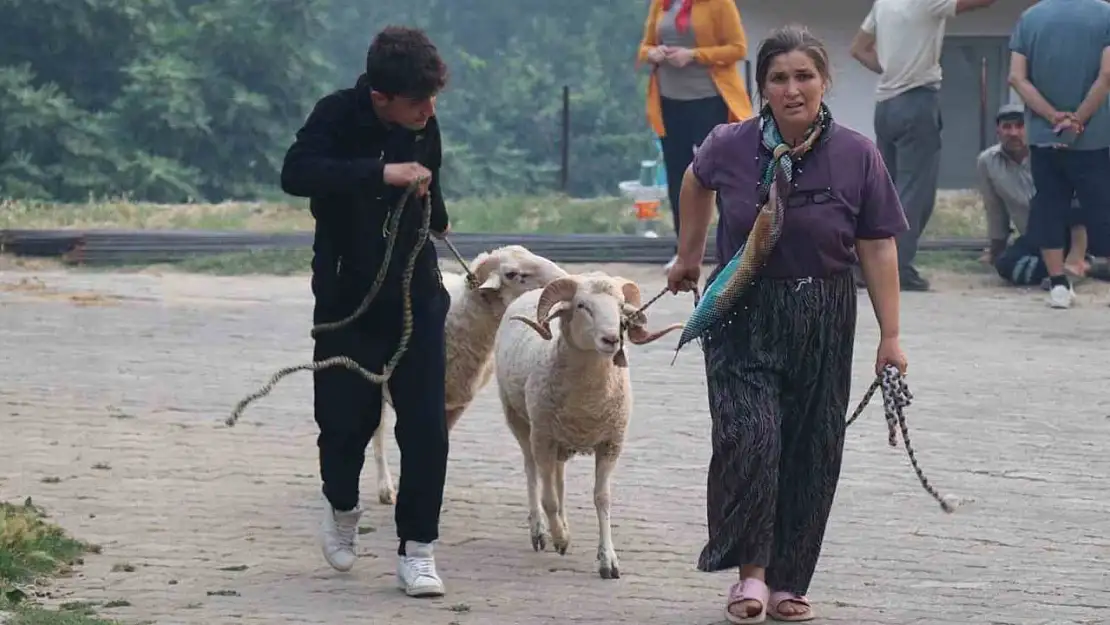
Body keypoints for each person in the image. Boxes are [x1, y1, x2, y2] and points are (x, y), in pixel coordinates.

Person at [666, 24, 909, 624]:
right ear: (762, 88)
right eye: (779, 78)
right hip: (743, 312)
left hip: (825, 313)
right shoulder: (729, 144)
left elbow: (877, 246)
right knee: (751, 440)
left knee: (812, 448)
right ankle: (750, 575)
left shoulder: (857, 154)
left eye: (804, 76)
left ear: (826, 82)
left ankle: (787, 581)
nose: (793, 88)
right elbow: (694, 182)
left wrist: (891, 335)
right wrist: (689, 253)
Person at [279, 25, 452, 598]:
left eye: (433, 99)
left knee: (426, 424)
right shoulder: (336, 115)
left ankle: (418, 548)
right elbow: (296, 173)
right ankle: (342, 504)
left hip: (415, 295)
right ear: (381, 97)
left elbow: (437, 202)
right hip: (346, 298)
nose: (428, 111)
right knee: (344, 423)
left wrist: (432, 204)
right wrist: (380, 174)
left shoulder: (423, 126)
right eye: (418, 101)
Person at [850, 0, 999, 291]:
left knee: (886, 191)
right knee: (914, 193)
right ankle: (896, 268)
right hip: (916, 101)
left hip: (886, 103)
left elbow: (858, 48)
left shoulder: (884, 3)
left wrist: (892, 69)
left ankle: (865, 264)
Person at [637, 0, 754, 272]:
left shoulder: (719, 3)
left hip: (709, 100)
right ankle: (684, 253)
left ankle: (733, 251)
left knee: (721, 175)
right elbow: (644, 47)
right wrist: (653, 53)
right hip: (669, 101)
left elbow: (737, 48)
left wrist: (694, 55)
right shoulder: (662, 3)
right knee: (678, 176)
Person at [1008, 0, 1110, 309]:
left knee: (1049, 205)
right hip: (1097, 135)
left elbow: (1016, 77)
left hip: (1043, 136)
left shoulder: (1030, 17)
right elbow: (1107, 74)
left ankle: (1058, 286)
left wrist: (1053, 117)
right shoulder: (1106, 13)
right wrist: (1078, 118)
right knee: (1103, 207)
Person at [977, 103, 1093, 286]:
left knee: (1049, 199)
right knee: (1005, 265)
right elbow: (994, 208)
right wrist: (995, 250)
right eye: (1007, 127)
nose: (1014, 133)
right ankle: (1082, 268)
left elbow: (1078, 201)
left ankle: (1077, 260)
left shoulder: (1051, 152)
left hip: (1069, 232)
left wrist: (1076, 252)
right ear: (998, 131)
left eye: (1020, 125)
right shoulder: (987, 161)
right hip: (1033, 238)